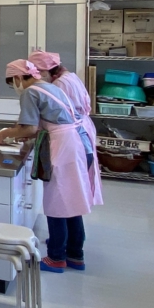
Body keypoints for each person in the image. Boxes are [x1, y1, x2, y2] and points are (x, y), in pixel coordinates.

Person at [0, 60, 98, 273]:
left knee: (57, 203)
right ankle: (75, 254)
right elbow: (45, 121)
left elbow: (29, 128)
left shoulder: (30, 92)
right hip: (79, 142)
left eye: (12, 83)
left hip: (64, 147)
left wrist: (4, 134)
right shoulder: (50, 86)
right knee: (72, 201)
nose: (15, 87)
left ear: (18, 78)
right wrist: (22, 131)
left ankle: (56, 257)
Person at [28, 51, 103, 211]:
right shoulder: (70, 77)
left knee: (63, 189)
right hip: (80, 130)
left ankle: (63, 225)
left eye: (37, 73)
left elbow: (54, 113)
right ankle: (74, 224)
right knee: (75, 187)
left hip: (68, 137)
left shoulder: (59, 84)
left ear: (45, 71)